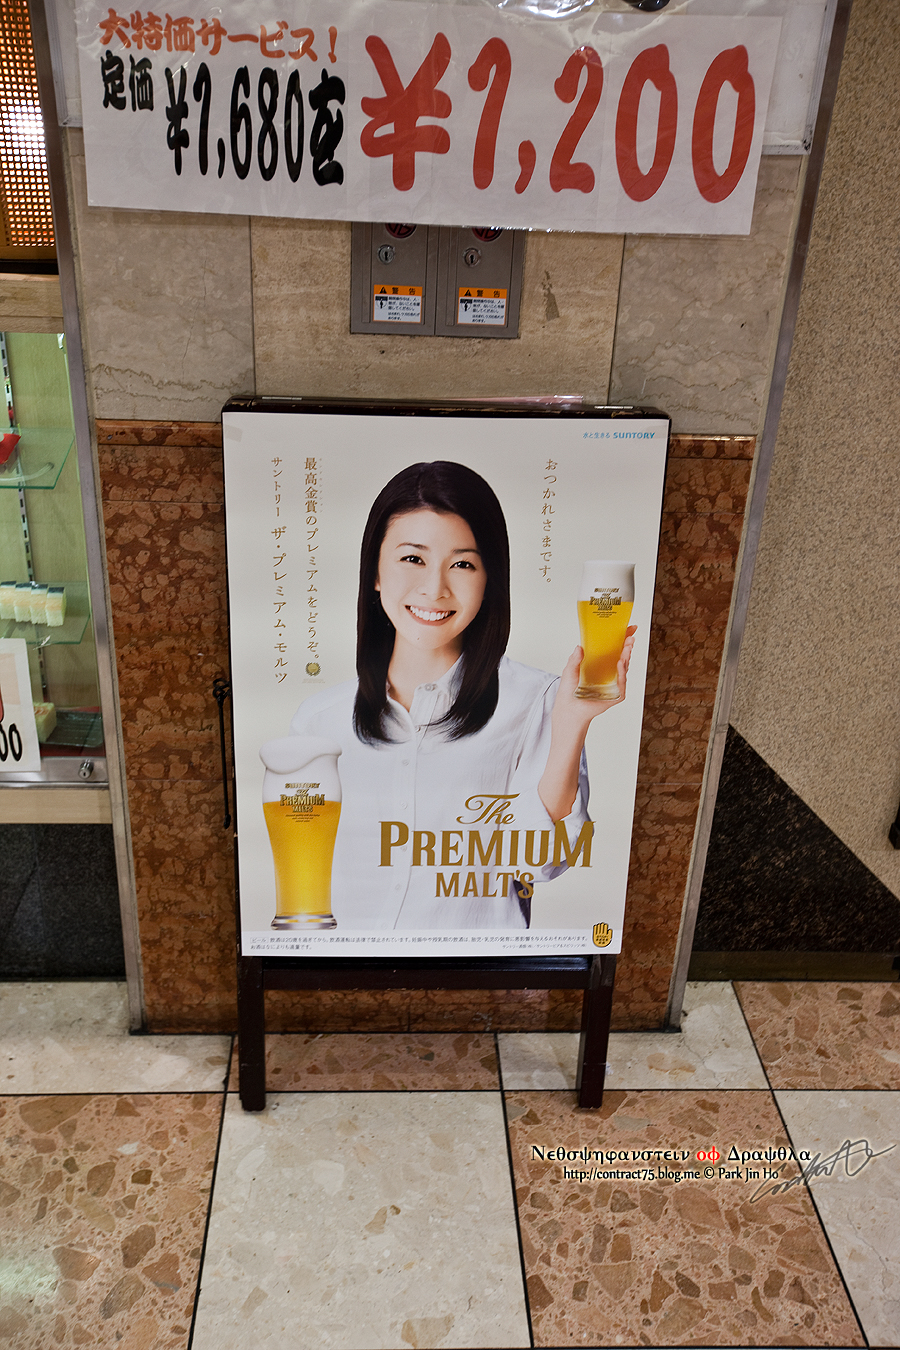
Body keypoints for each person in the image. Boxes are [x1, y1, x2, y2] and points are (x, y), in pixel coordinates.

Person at [290, 461, 634, 930]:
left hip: (479, 969)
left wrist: (572, 723)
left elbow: (541, 863)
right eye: (413, 559)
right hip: (346, 966)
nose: (435, 589)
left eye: (463, 564)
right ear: (374, 571)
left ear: (489, 580)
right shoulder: (319, 720)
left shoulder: (536, 701)